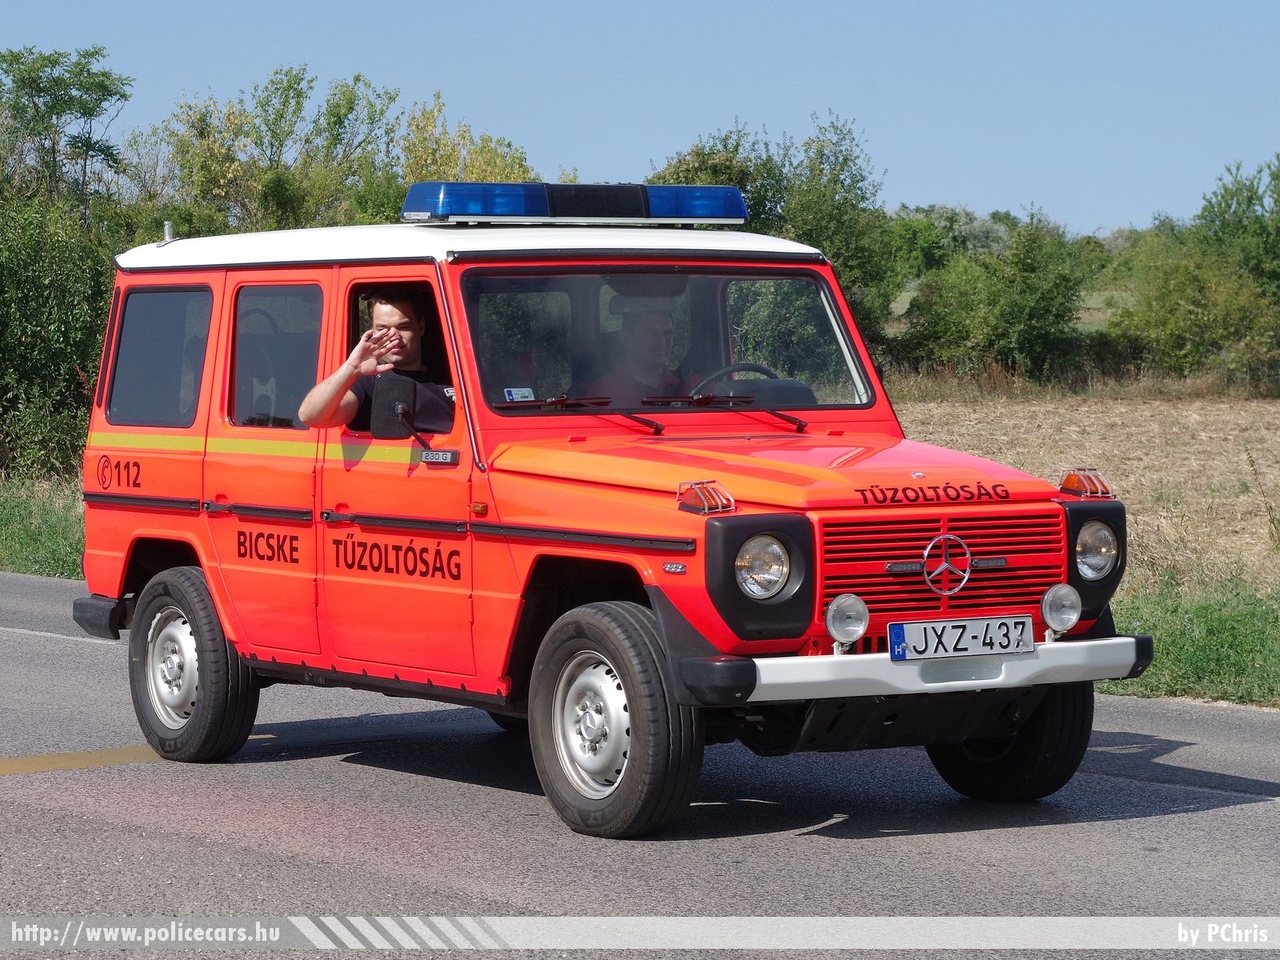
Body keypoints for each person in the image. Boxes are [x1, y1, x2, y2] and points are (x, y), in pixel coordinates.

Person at [298, 292, 454, 433]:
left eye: (403, 327)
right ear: (372, 330)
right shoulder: (369, 381)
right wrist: (351, 368)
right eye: (383, 329)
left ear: (421, 327)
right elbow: (311, 416)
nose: (394, 336)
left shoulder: (454, 372)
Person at [586, 295, 689, 406]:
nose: (662, 342)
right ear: (626, 338)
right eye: (651, 333)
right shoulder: (603, 392)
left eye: (667, 333)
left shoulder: (691, 385)